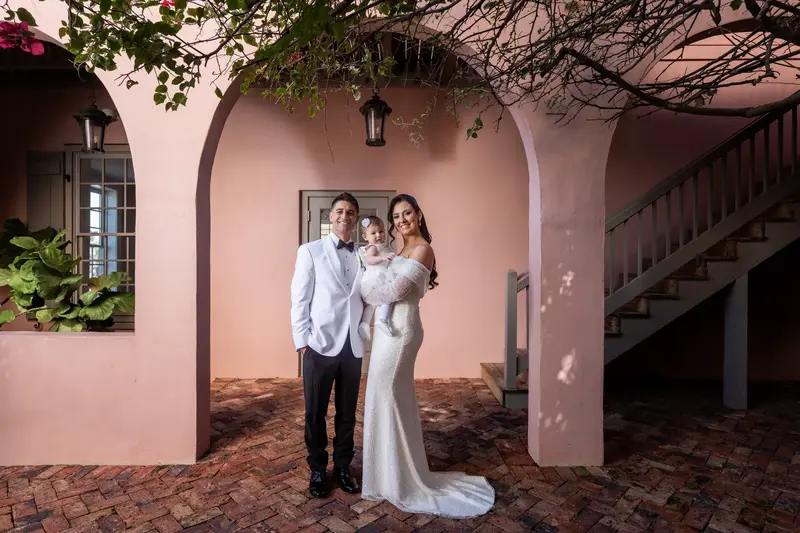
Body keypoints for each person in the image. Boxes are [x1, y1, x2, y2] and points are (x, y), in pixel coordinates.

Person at [360, 194, 495, 517]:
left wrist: (365, 293)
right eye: (396, 217)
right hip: (386, 333)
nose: (402, 220)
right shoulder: (398, 250)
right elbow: (381, 281)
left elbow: (395, 291)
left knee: (389, 394)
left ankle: (402, 479)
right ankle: (386, 474)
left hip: (402, 331)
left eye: (407, 213)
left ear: (418, 215)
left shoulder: (423, 249)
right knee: (383, 394)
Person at [290, 192, 364, 498]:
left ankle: (343, 467)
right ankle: (318, 468)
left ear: (356, 219)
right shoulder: (310, 251)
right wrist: (302, 341)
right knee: (314, 413)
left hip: (353, 346)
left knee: (347, 414)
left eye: (350, 212)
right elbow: (299, 298)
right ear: (331, 216)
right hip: (318, 344)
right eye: (340, 211)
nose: (345, 216)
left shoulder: (364, 254)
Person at [357, 216, 397, 342]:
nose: (378, 235)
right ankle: (382, 320)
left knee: (372, 305)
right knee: (389, 296)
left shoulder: (383, 247)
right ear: (365, 237)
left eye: (381, 231)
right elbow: (369, 259)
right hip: (374, 280)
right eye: (373, 233)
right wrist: (383, 258)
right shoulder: (373, 247)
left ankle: (364, 324)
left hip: (379, 280)